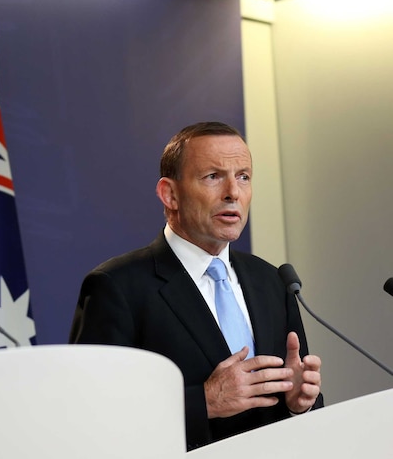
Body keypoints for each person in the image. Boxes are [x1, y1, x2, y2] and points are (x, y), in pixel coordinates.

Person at [69, 121, 322, 449]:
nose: (233, 192)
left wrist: (299, 404)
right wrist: (204, 401)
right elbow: (90, 413)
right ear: (169, 194)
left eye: (243, 176)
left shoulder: (273, 281)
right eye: (213, 177)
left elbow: (300, 406)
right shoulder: (117, 287)